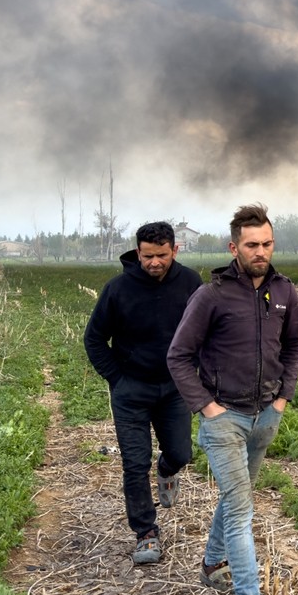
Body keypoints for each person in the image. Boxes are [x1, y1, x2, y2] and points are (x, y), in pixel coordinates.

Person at [168, 204, 298, 595]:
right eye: (251, 245)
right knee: (242, 510)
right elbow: (178, 356)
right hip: (223, 419)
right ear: (234, 247)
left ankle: (211, 565)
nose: (260, 251)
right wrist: (207, 408)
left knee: (233, 499)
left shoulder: (285, 291)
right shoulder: (212, 295)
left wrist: (282, 400)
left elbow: (295, 346)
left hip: (265, 415)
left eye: (266, 243)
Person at [83, 221, 204, 565]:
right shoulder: (118, 289)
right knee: (135, 463)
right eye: (147, 256)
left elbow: (206, 331)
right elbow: (94, 339)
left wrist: (195, 372)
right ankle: (146, 533)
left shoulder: (191, 283)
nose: (154, 262)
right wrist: (117, 378)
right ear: (138, 252)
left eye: (161, 255)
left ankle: (167, 470)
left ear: (175, 250)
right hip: (131, 390)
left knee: (181, 452)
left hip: (175, 388)